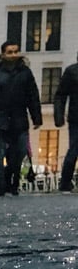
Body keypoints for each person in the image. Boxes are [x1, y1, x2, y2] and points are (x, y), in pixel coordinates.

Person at [0, 40, 42, 196]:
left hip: (18, 119)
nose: (14, 55)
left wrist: (36, 118)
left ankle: (10, 181)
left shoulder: (25, 73)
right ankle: (1, 187)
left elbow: (33, 96)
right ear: (3, 54)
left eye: (16, 51)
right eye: (10, 52)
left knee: (19, 153)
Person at [55, 51, 78, 193]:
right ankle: (65, 183)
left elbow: (60, 95)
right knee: (73, 150)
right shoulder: (72, 72)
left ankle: (65, 183)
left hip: (75, 116)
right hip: (76, 116)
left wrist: (59, 116)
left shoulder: (72, 71)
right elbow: (61, 95)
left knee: (73, 150)